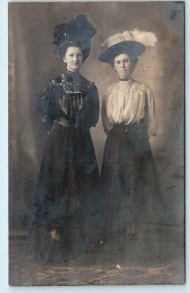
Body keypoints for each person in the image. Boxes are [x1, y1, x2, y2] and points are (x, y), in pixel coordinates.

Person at [29, 15, 100, 264]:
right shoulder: (53, 85)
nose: (75, 59)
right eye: (71, 55)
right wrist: (57, 131)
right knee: (58, 185)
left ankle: (78, 242)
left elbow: (92, 118)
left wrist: (77, 129)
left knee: (81, 185)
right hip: (59, 140)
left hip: (81, 140)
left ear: (83, 57)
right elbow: (44, 112)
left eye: (79, 55)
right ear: (63, 57)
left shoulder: (90, 87)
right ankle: (55, 238)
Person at [99, 29, 162, 241]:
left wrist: (138, 135)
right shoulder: (109, 91)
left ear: (133, 64)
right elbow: (106, 123)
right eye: (118, 62)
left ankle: (133, 227)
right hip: (116, 140)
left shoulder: (143, 90)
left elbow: (151, 121)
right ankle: (118, 228)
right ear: (113, 66)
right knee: (116, 181)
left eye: (126, 61)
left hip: (137, 139)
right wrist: (118, 134)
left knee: (135, 181)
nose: (123, 66)